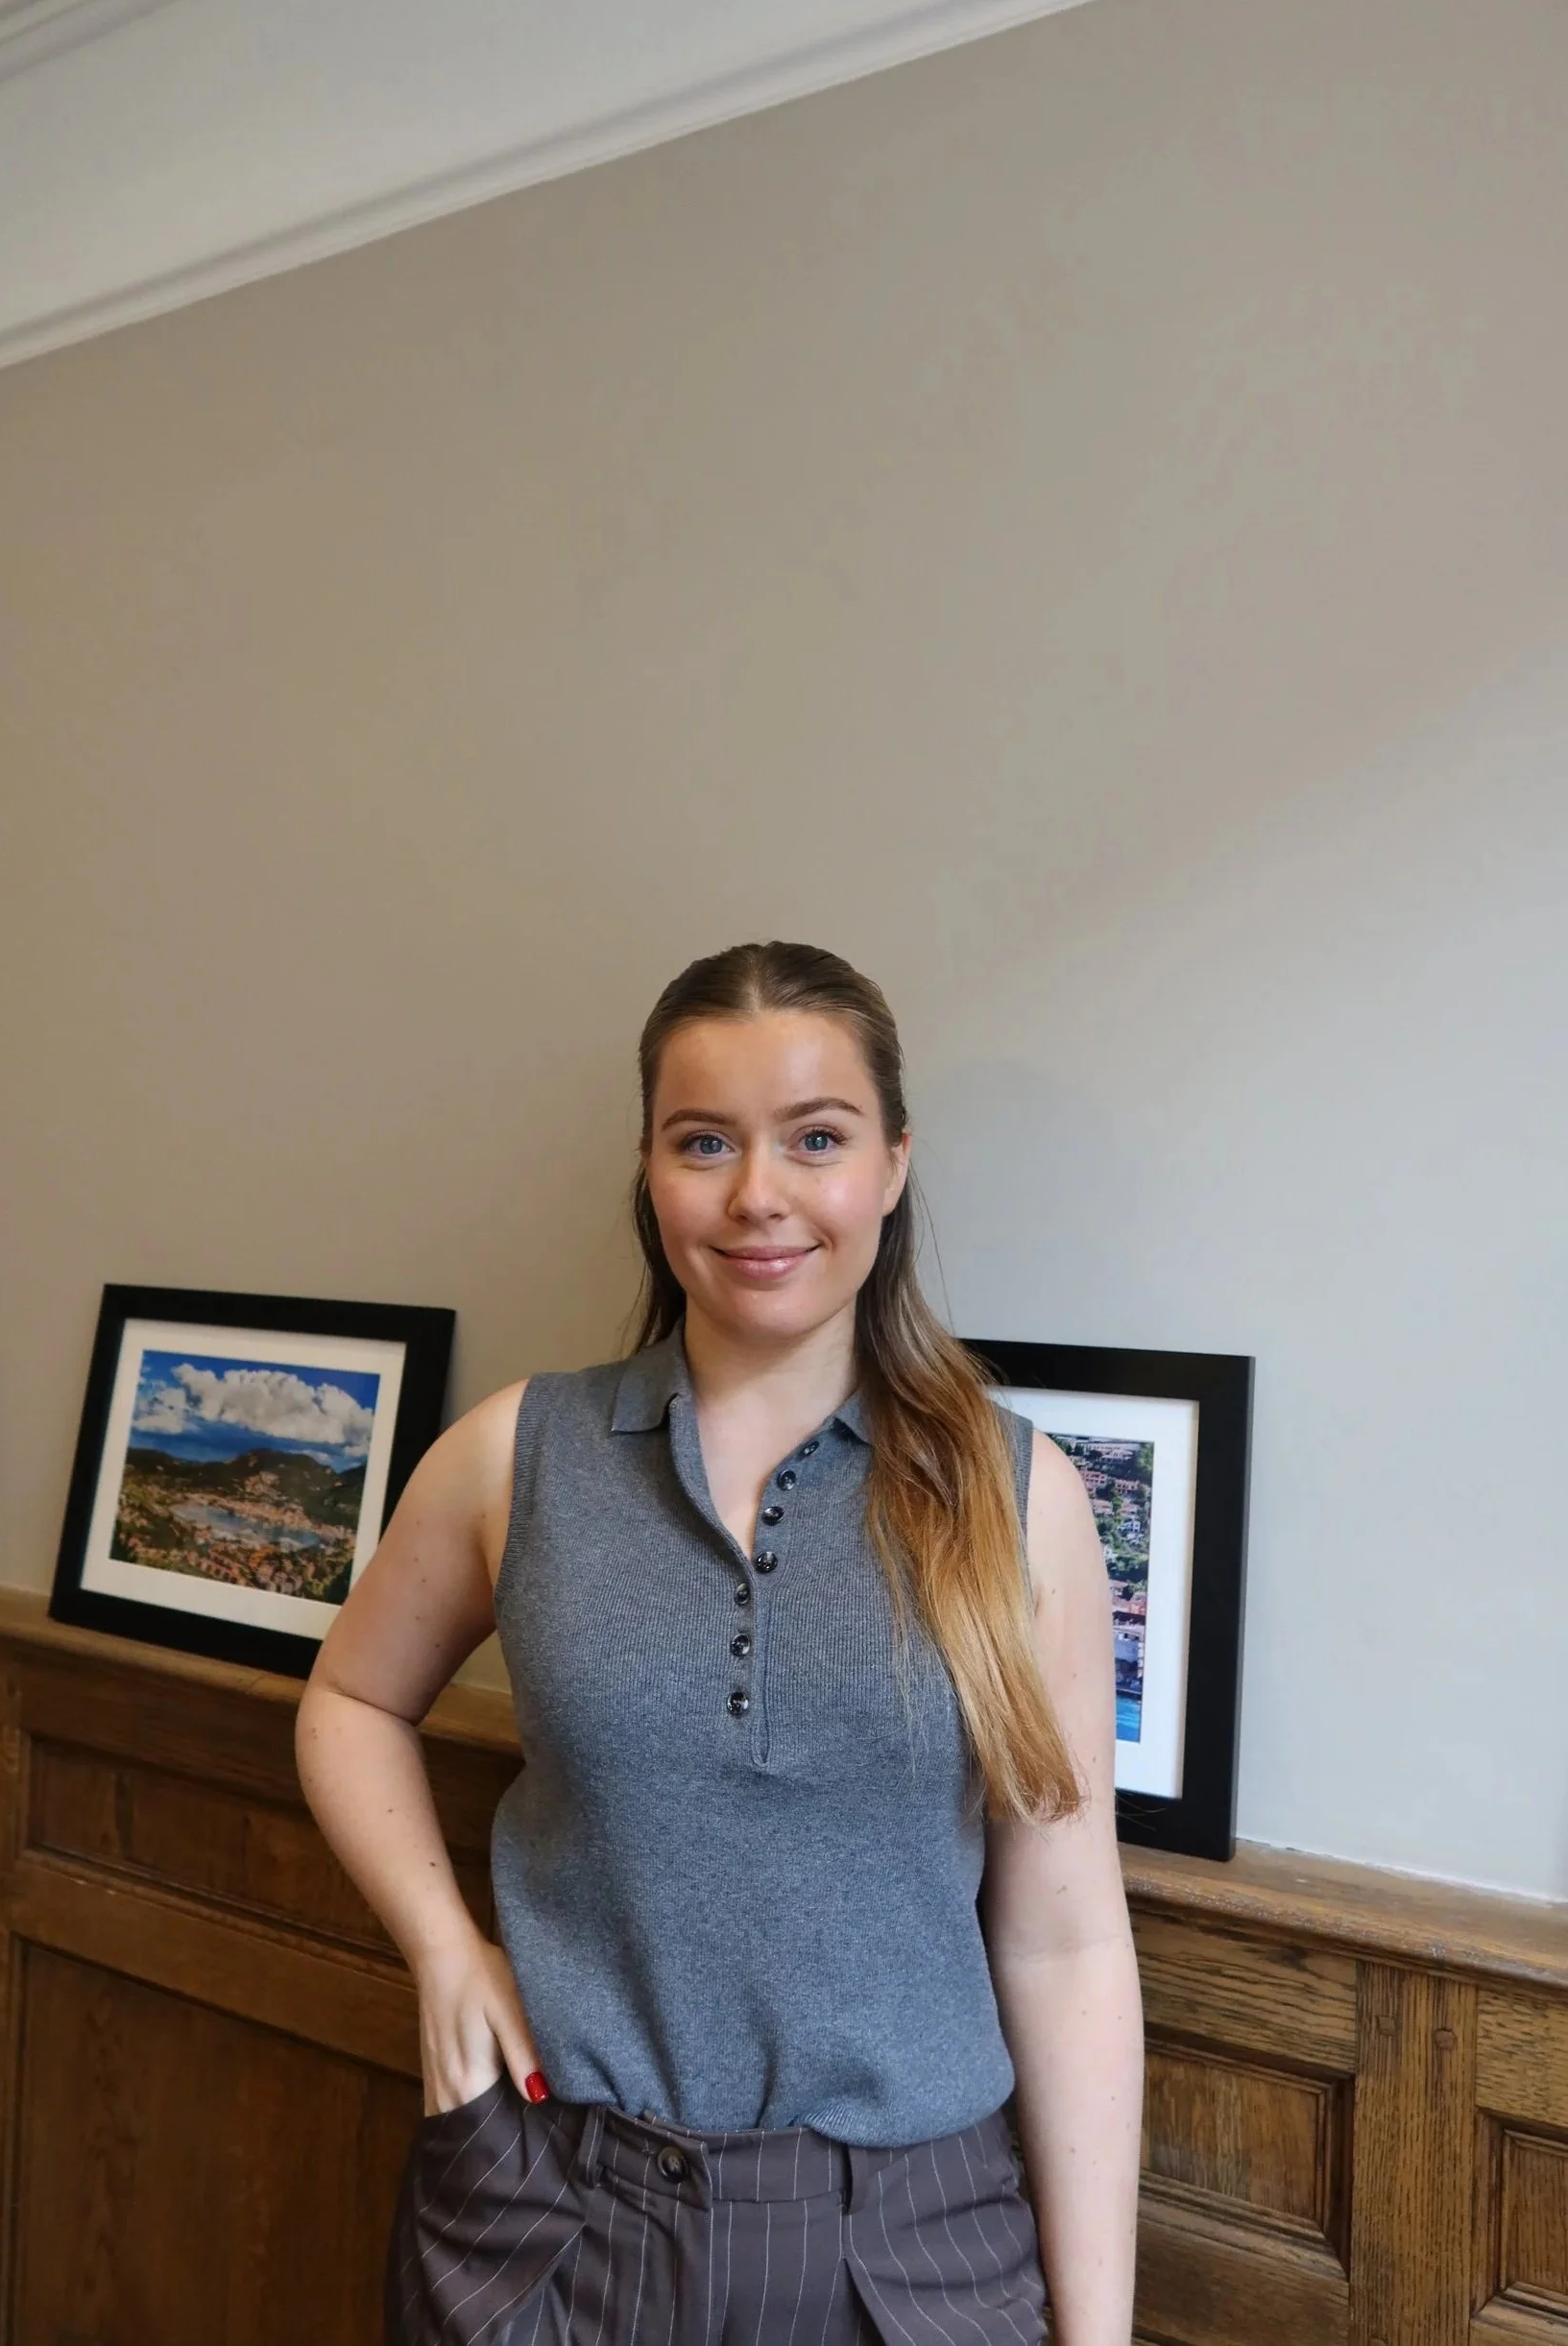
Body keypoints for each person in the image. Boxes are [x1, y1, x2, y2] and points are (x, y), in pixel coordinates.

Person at [297, 940, 1143, 2346]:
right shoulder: (519, 1453)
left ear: (890, 1164)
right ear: (648, 1168)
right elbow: (346, 1698)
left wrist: (1098, 2334)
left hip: (916, 2249)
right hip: (553, 2215)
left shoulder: (1019, 1499)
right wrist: (443, 1945)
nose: (759, 1194)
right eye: (705, 1142)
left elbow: (1062, 1942)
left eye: (816, 1137)